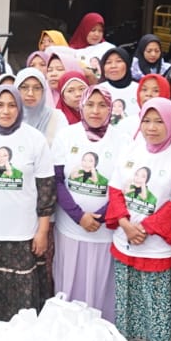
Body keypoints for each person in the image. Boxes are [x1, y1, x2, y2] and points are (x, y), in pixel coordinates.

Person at [105, 98, 171, 341]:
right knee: (128, 299)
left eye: (159, 121)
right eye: (147, 120)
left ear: (170, 123)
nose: (152, 127)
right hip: (126, 239)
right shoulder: (131, 150)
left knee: (154, 301)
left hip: (155, 246)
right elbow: (115, 190)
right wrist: (125, 224)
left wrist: (143, 229)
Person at [0, 84, 56, 321]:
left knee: (22, 303)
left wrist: (42, 230)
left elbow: (46, 189)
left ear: (19, 107)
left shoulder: (35, 139)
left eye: (11, 105)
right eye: (0, 105)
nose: (6, 111)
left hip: (23, 233)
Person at [52, 84, 125, 322]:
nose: (95, 111)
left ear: (110, 108)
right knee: (69, 284)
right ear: (81, 106)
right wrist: (79, 215)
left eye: (102, 105)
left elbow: (123, 186)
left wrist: (101, 216)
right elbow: (58, 180)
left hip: (104, 233)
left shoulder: (123, 140)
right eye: (90, 104)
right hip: (70, 229)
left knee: (100, 287)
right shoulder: (66, 135)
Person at [16, 68, 62, 144]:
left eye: (37, 88)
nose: (30, 93)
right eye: (24, 87)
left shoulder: (56, 117)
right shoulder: (7, 116)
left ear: (43, 91)